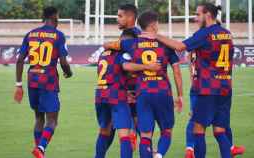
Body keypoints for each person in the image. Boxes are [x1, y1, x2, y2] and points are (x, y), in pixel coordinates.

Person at [141, 3, 245, 158]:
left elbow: (180, 46)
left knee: (198, 130)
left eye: (197, 14)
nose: (195, 18)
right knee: (220, 131)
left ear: (207, 15)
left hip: (208, 89)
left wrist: (156, 36)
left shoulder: (204, 34)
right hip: (225, 88)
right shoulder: (227, 33)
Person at [120, 11, 183, 158]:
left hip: (143, 93)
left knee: (146, 135)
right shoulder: (166, 45)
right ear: (154, 25)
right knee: (167, 131)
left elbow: (121, 60)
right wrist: (180, 95)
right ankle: (159, 154)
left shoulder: (131, 44)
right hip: (163, 92)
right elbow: (177, 72)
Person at [14, 6, 72, 158]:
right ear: (55, 16)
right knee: (52, 119)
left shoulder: (30, 34)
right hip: (48, 80)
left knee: (39, 117)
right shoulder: (58, 35)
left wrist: (18, 85)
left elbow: (20, 60)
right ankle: (41, 147)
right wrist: (68, 72)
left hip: (32, 79)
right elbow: (63, 61)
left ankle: (39, 150)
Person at [94, 30, 160, 158]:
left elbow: (111, 73)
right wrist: (148, 67)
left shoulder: (104, 53)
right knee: (124, 135)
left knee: (104, 130)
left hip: (100, 94)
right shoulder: (124, 53)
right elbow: (127, 66)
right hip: (116, 96)